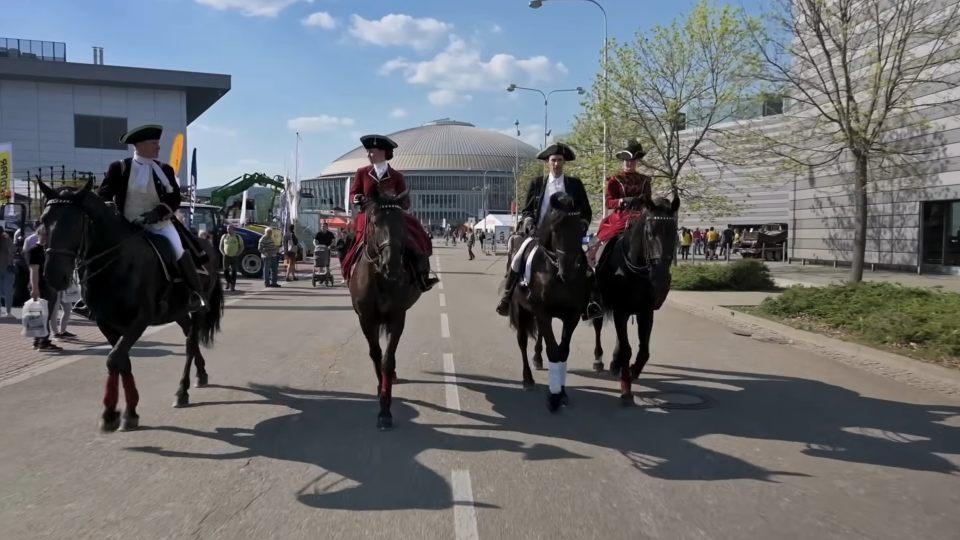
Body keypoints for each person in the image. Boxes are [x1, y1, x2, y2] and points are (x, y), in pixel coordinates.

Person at [97, 124, 207, 312]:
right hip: (126, 225)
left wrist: (159, 212)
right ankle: (90, 296)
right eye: (154, 143)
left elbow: (174, 198)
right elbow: (103, 195)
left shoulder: (165, 169)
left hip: (159, 223)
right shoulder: (119, 167)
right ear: (140, 145)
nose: (158, 147)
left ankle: (194, 294)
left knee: (178, 249)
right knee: (99, 249)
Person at [496, 142, 593, 317]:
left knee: (586, 264)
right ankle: (507, 296)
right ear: (547, 163)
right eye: (553, 160)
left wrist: (582, 225)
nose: (556, 164)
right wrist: (529, 222)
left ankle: (591, 302)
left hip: (565, 236)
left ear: (564, 163)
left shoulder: (575, 184)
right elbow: (527, 210)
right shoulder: (537, 183)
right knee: (517, 258)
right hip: (539, 233)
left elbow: (586, 210)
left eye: (560, 160)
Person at [341, 134, 438, 291]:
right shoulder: (362, 173)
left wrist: (398, 200)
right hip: (369, 216)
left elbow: (406, 203)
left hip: (392, 216)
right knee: (352, 246)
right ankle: (349, 274)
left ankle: (422, 275)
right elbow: (353, 193)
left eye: (371, 151)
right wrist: (357, 197)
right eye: (368, 152)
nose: (368, 155)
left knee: (414, 238)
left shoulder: (397, 176)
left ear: (383, 152)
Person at [27, 226, 61, 351]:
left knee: (42, 314)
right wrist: (35, 288)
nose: (47, 237)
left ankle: (38, 341)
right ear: (39, 234)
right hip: (42, 286)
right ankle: (43, 342)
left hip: (48, 285)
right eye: (45, 234)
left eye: (48, 235)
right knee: (44, 315)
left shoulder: (48, 250)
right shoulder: (35, 250)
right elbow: (34, 270)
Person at [219, 224, 243, 292]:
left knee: (234, 271)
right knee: (225, 271)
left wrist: (238, 254)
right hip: (226, 256)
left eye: (229, 229)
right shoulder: (224, 236)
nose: (228, 230)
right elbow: (220, 246)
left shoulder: (238, 237)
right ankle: (228, 281)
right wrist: (223, 253)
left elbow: (242, 247)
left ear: (233, 229)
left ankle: (232, 286)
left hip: (234, 257)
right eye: (227, 228)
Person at [0, 230, 14, 317]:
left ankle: (4, 310)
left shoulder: (6, 240)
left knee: (7, 290)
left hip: (6, 268)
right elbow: (11, 252)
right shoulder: (7, 240)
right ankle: (8, 312)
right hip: (7, 268)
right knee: (8, 290)